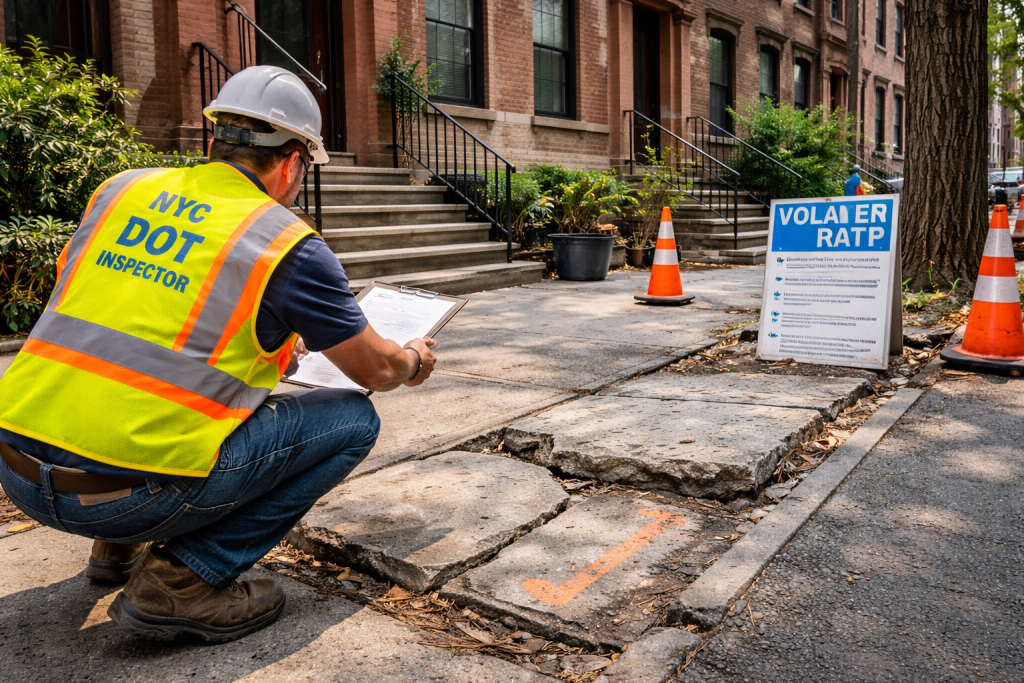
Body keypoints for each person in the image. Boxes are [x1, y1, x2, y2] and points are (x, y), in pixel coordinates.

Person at [0, 66, 437, 642]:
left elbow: (121, 314)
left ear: (213, 143)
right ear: (290, 162)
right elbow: (375, 370)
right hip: (122, 496)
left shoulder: (120, 191)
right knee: (353, 421)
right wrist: (411, 361)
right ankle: (184, 579)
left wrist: (275, 337)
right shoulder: (286, 244)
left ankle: (117, 549)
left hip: (16, 471)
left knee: (160, 399)